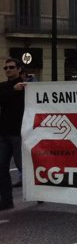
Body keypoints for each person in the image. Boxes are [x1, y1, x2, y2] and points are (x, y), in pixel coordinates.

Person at [0, 58, 27, 210]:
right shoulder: (3, 86)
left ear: (18, 69)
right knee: (1, 167)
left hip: (18, 134)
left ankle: (39, 192)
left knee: (23, 166)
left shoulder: (27, 88)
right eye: (5, 68)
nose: (8, 70)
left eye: (11, 67)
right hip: (4, 134)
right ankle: (6, 200)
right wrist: (13, 90)